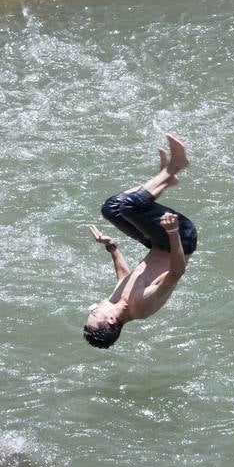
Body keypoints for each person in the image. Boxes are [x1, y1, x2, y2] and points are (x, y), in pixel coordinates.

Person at [84, 134, 197, 348]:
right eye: (95, 313)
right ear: (110, 320)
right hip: (181, 237)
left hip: (156, 243)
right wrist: (172, 231)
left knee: (111, 209)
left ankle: (167, 178)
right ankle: (173, 168)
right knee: (128, 207)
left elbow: (124, 277)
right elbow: (176, 272)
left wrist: (111, 246)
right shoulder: (142, 305)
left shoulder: (117, 303)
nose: (94, 308)